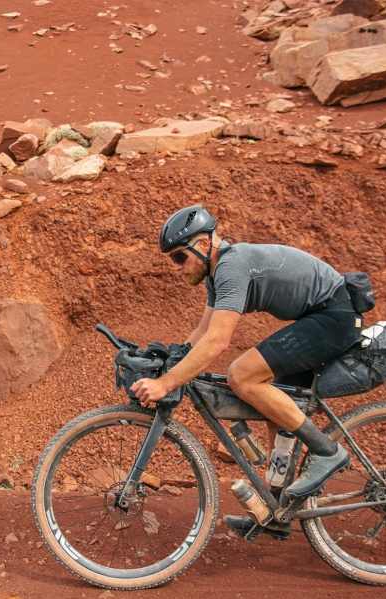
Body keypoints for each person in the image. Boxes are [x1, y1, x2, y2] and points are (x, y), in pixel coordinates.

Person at [130, 205, 363, 532]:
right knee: (274, 404)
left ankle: (327, 452)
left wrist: (167, 383)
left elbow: (217, 342)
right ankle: (279, 512)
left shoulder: (232, 266)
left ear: (202, 245)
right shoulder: (217, 273)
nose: (176, 268)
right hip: (318, 318)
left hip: (334, 318)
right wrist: (170, 359)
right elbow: (200, 334)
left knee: (242, 374)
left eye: (178, 258)